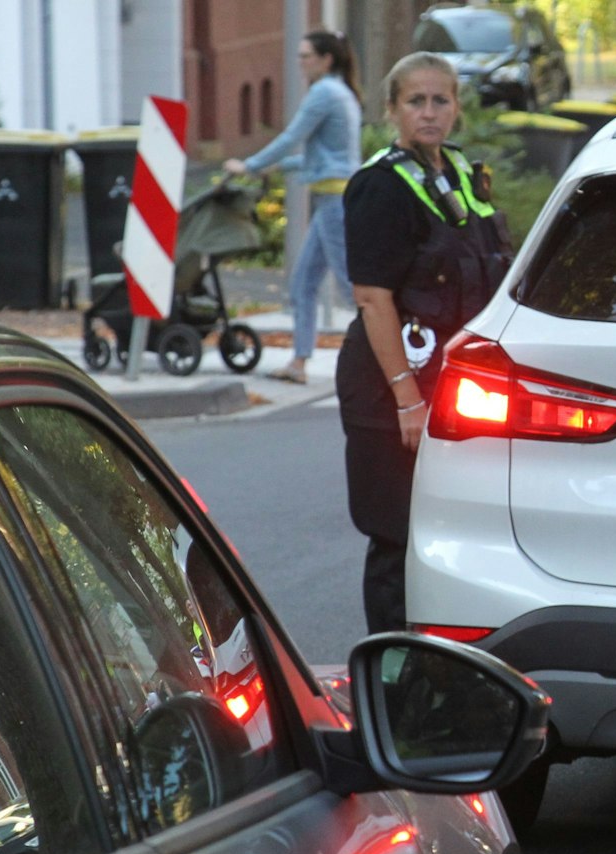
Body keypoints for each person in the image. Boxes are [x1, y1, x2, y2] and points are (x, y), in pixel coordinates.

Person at [337, 52, 511, 633]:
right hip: (392, 391)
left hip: (454, 388)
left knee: (449, 538)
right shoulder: (380, 188)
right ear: (392, 110)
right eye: (416, 101)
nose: (429, 113)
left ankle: (442, 677)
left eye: (441, 100)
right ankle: (391, 682)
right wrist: (406, 399)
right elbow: (372, 300)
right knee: (397, 538)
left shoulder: (460, 175)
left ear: (458, 107)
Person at [222, 30, 363, 385]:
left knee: (352, 289)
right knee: (304, 283)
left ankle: (380, 359)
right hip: (331, 197)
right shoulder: (341, 92)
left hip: (334, 201)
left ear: (325, 59)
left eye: (306, 56)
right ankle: (299, 363)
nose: (300, 62)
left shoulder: (324, 93)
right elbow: (322, 158)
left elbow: (290, 138)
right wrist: (275, 168)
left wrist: (251, 166)